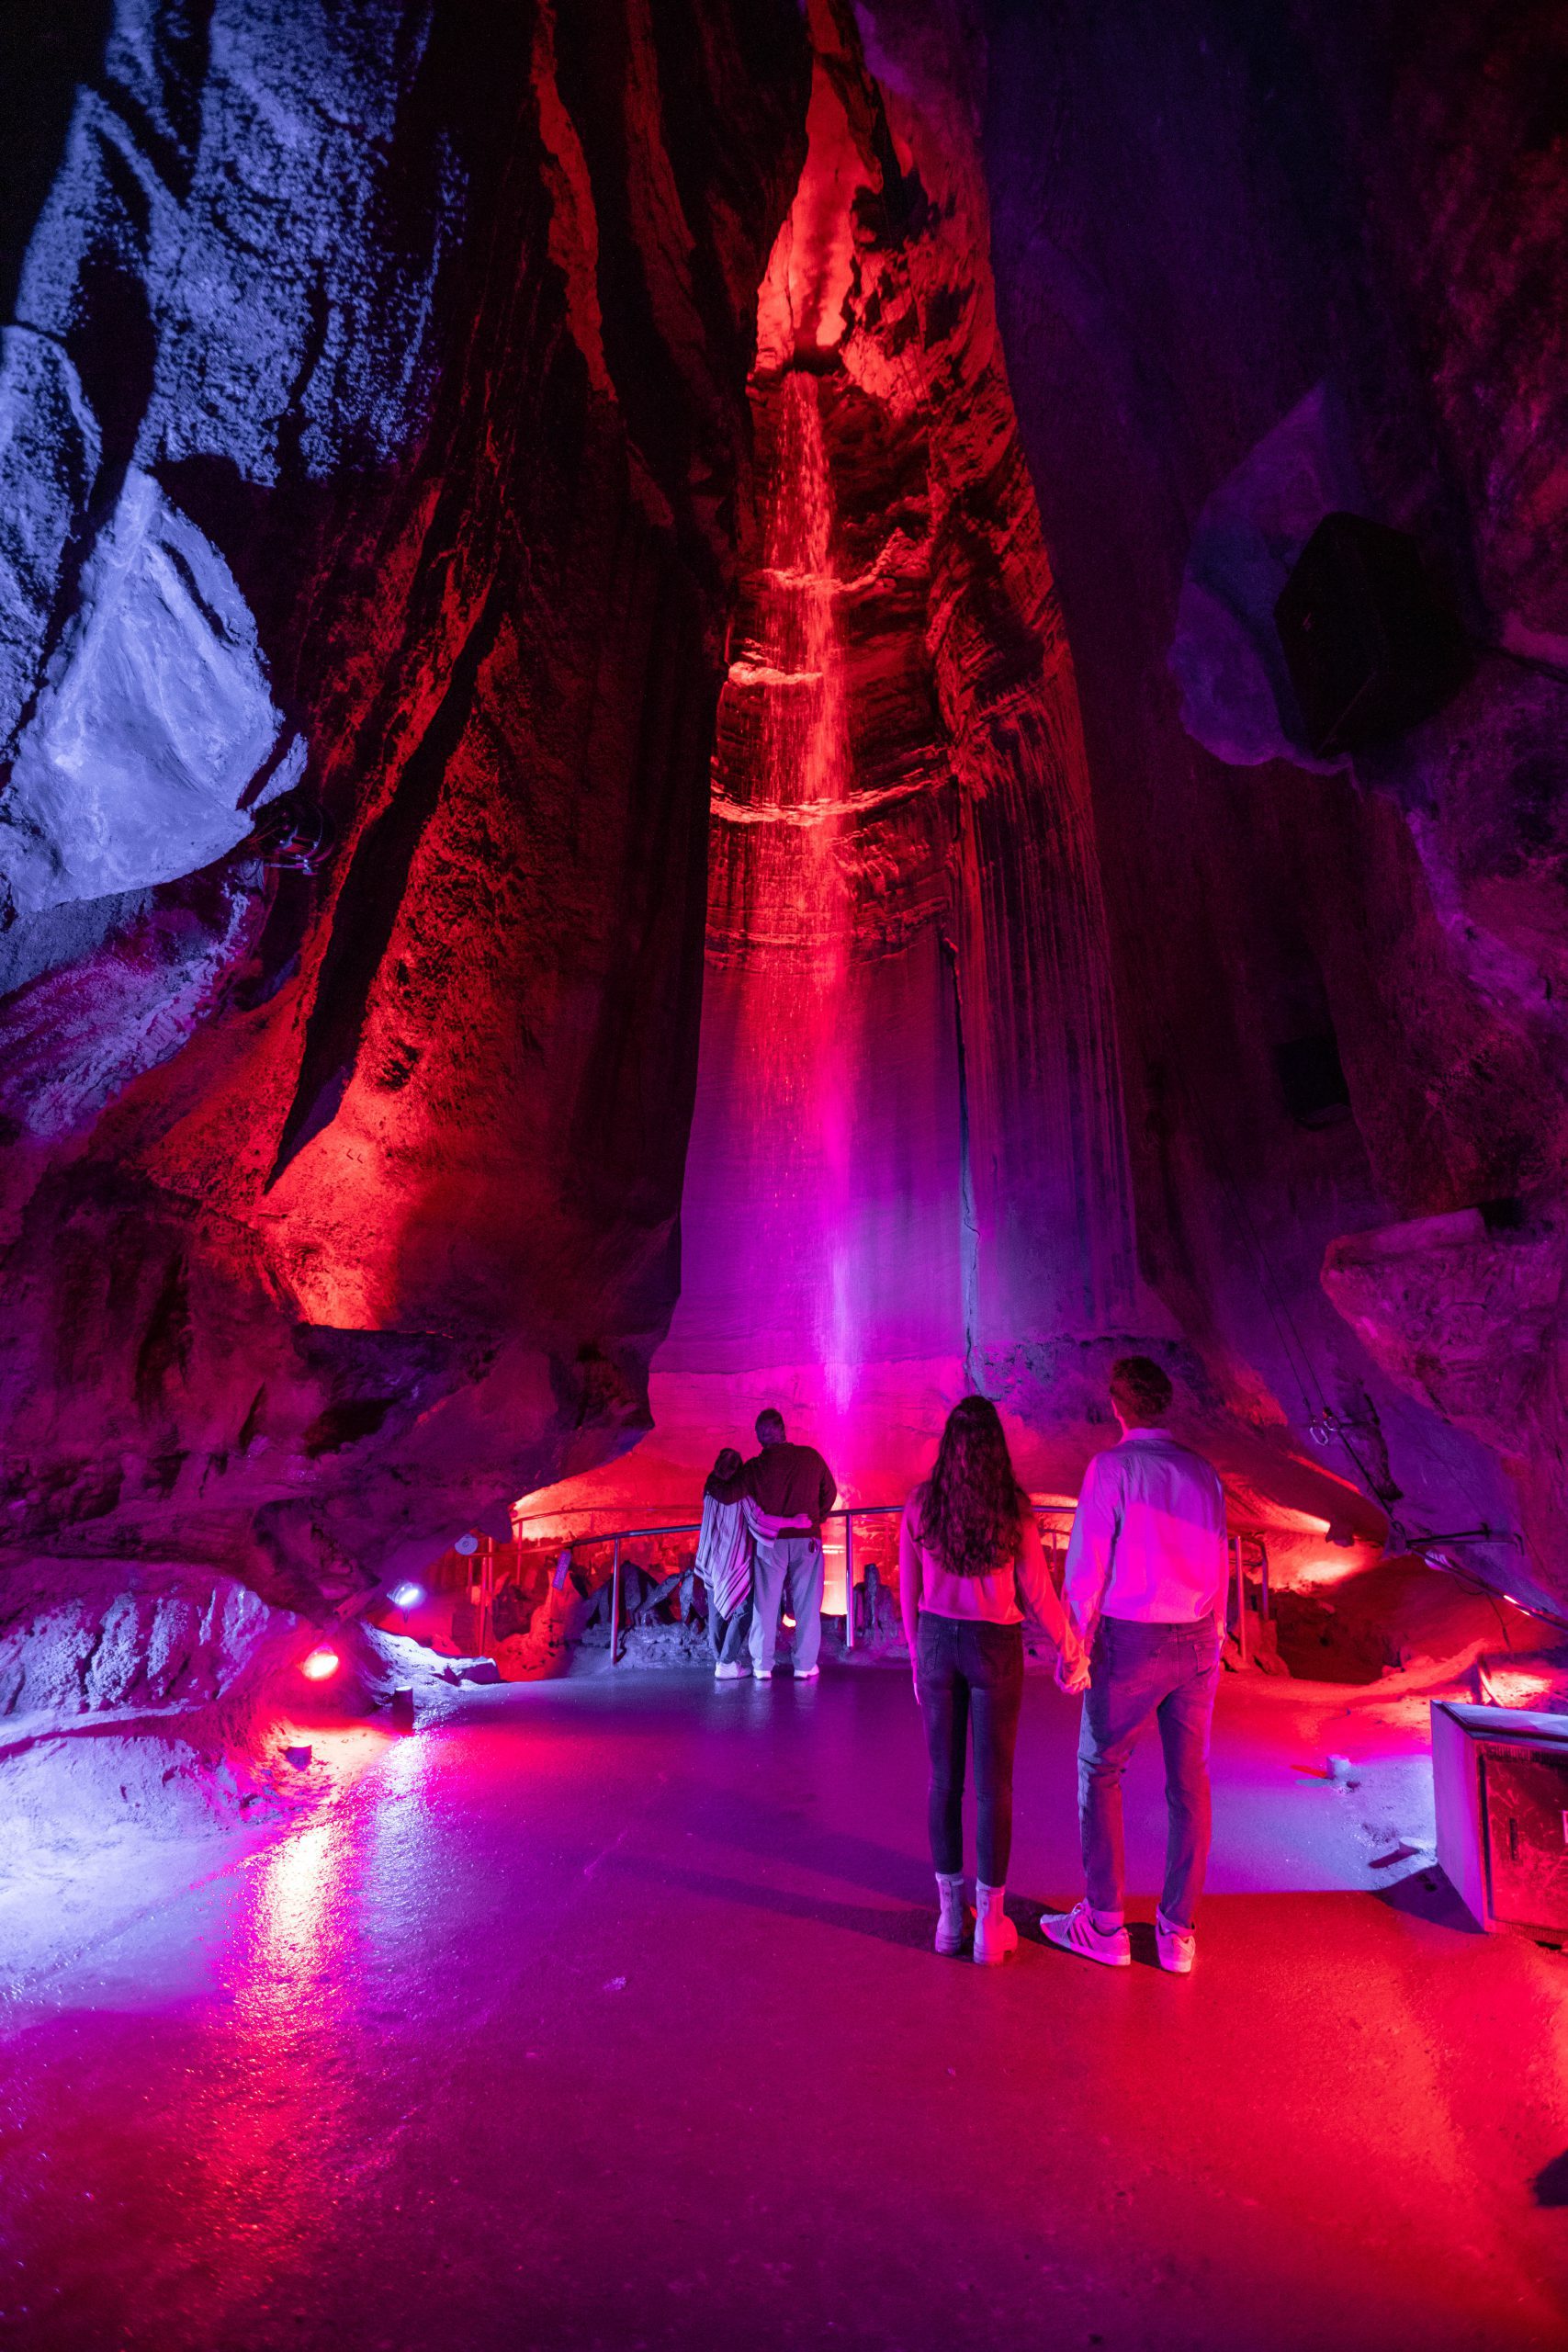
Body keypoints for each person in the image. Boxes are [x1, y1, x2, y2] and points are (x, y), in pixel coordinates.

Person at [1044, 1355, 1229, 1975]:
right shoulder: (1202, 1472)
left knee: (1100, 1771)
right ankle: (1176, 1933)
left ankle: (1103, 1926)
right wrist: (1218, 1639)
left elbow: (1087, 1568)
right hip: (1198, 1639)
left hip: (1131, 1641)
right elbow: (1218, 1560)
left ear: (1117, 1406)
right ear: (1164, 1404)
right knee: (1189, 1786)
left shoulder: (1111, 1469)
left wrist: (1075, 1648)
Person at [899, 1395, 1079, 1964]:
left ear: (948, 1446)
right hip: (993, 1644)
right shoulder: (1014, 1511)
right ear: (996, 1450)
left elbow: (908, 1593)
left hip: (935, 1640)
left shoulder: (921, 1505)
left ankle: (951, 1922)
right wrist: (1073, 1650)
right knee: (993, 1787)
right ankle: (989, 1927)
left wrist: (915, 1657)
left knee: (943, 1783)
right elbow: (1039, 1596)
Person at [731, 1408, 837, 1681]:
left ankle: (762, 1665)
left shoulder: (754, 1468)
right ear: (783, 1430)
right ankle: (804, 1664)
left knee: (764, 1604)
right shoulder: (810, 1457)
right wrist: (816, 1518)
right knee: (807, 1603)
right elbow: (830, 1492)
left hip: (770, 1541)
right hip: (806, 1541)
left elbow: (734, 1494)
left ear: (759, 1437)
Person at [694, 1447, 754, 1680]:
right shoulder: (742, 1494)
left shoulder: (709, 1490)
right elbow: (756, 1521)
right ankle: (726, 1662)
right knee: (744, 1610)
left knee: (716, 1612)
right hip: (734, 1561)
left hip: (711, 1560)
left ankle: (721, 1661)